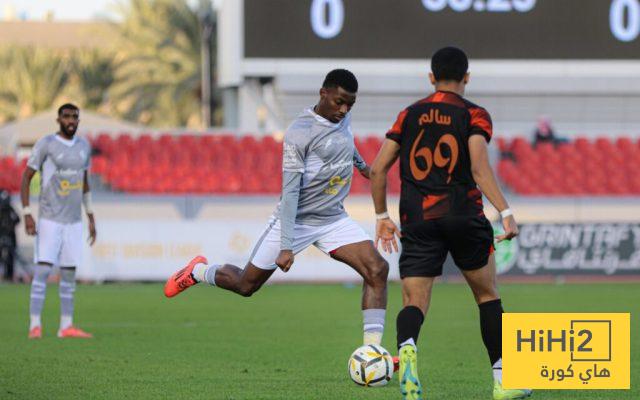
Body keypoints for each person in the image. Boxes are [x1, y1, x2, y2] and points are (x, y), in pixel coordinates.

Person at [165, 69, 390, 347]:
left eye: (350, 105)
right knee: (246, 285)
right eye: (339, 102)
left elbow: (345, 142)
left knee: (377, 270)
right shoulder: (300, 133)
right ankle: (197, 272)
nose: (344, 110)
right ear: (323, 93)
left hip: (332, 219)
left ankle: (371, 353)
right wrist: (286, 246)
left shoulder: (342, 118)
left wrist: (363, 167)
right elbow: (290, 192)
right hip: (295, 220)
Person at [369, 47, 532, 400]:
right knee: (487, 296)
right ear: (467, 77)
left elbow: (378, 169)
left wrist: (382, 217)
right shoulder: (474, 114)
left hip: (418, 220)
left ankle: (407, 351)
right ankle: (503, 381)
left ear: (431, 77)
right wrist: (505, 211)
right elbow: (478, 168)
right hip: (463, 215)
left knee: (414, 301)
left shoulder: (408, 115)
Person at [21, 103, 97, 339]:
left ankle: (66, 326)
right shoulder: (47, 144)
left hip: (73, 221)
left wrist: (90, 216)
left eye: (74, 117)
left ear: (78, 120)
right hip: (50, 219)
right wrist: (27, 212)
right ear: (58, 119)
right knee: (43, 270)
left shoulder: (84, 146)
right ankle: (35, 324)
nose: (71, 120)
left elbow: (85, 183)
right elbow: (26, 177)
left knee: (69, 273)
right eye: (66, 116)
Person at [0, 189, 19, 281]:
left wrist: (10, 226)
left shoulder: (10, 210)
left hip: (10, 236)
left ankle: (9, 275)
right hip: (1, 235)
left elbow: (17, 219)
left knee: (11, 257)